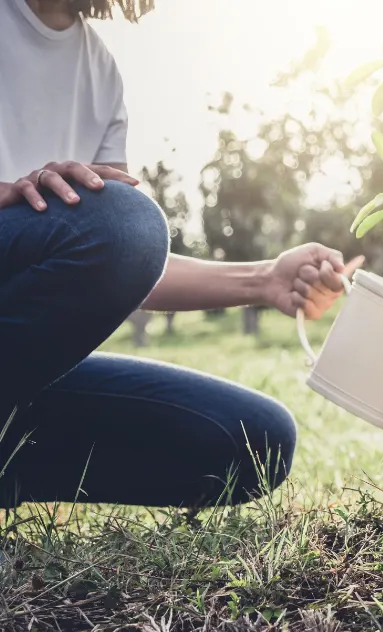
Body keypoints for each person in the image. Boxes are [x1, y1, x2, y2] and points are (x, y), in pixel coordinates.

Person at [0, 0, 364, 508]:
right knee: (124, 220)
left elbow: (120, 253)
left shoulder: (99, 71)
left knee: (255, 438)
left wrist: (263, 279)